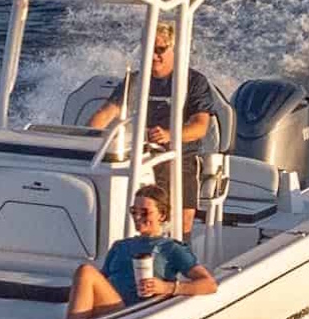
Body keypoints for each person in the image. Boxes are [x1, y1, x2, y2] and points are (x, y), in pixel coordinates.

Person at [88, 21, 215, 237]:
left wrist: (169, 135)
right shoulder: (135, 81)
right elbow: (105, 114)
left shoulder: (195, 82)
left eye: (160, 50)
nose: (154, 56)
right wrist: (88, 140)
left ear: (174, 49)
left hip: (181, 156)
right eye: (148, 50)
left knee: (181, 220)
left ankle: (180, 250)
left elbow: (200, 126)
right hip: (142, 155)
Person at [63, 185, 217, 319]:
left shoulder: (171, 248)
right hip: (111, 308)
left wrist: (167, 287)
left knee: (86, 271)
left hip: (134, 314)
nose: (137, 217)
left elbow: (209, 284)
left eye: (144, 212)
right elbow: (99, 283)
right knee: (86, 274)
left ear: (162, 215)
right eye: (134, 211)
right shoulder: (120, 246)